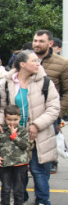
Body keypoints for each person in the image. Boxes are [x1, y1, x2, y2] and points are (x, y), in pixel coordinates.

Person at [0, 50, 60, 205]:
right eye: (34, 61)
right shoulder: (7, 83)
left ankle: (43, 204)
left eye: (38, 61)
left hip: (39, 134)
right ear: (22, 64)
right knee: (18, 170)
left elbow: (54, 108)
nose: (38, 63)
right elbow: (2, 107)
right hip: (14, 135)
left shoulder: (45, 82)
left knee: (39, 172)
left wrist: (37, 125)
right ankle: (20, 200)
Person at [31, 29, 68, 174]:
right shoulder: (25, 60)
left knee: (44, 158)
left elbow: (66, 93)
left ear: (50, 43)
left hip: (49, 116)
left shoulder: (63, 64)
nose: (37, 44)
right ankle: (21, 195)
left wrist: (57, 115)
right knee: (24, 157)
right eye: (35, 41)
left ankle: (42, 195)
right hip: (26, 115)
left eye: (41, 41)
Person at [0, 104, 31, 205]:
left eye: (15, 119)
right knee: (5, 189)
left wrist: (14, 135)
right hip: (5, 165)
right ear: (5, 118)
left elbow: (26, 145)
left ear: (19, 118)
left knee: (19, 189)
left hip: (20, 165)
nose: (12, 122)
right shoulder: (2, 131)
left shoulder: (23, 131)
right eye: (9, 119)